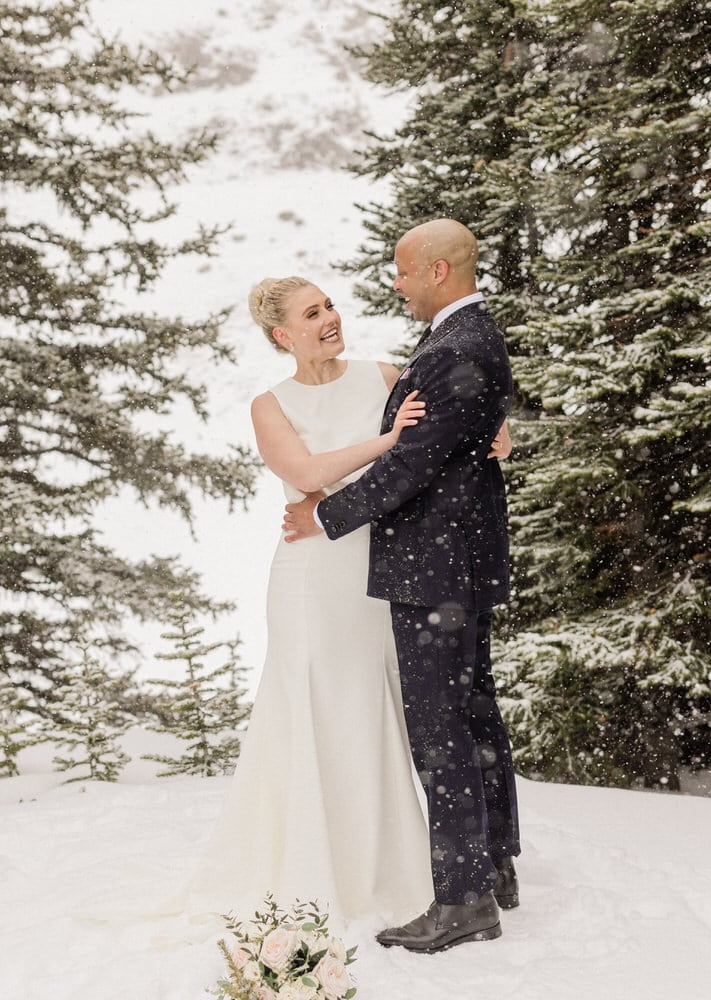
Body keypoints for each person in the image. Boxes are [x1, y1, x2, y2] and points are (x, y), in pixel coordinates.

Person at [193, 275, 510, 926]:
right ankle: (318, 862)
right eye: (313, 314)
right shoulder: (270, 404)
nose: (330, 319)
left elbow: (457, 425)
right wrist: (392, 440)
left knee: (377, 708)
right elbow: (307, 476)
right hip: (313, 575)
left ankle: (397, 863)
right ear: (283, 335)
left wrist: (496, 433)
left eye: (330, 305)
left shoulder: (386, 373)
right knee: (318, 711)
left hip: (383, 567)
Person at [283, 220, 521, 953]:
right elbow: (449, 444)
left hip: (436, 567)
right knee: (475, 714)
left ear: (439, 271)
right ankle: (494, 864)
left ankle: (462, 901)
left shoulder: (454, 348)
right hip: (463, 560)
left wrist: (325, 515)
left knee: (441, 729)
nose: (397, 283)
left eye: (404, 272)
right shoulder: (471, 338)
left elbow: (412, 465)